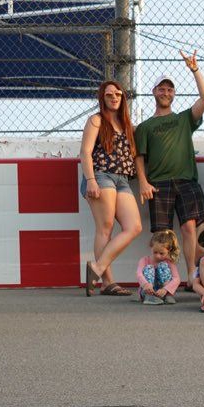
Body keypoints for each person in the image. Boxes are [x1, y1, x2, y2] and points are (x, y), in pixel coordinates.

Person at [135, 51, 204, 288]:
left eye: (169, 89)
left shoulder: (184, 119)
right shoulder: (145, 127)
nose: (165, 92)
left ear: (174, 94)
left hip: (186, 180)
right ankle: (166, 277)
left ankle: (190, 275)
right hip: (159, 183)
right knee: (163, 235)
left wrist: (195, 70)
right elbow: (139, 157)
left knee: (190, 226)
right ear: (154, 92)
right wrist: (144, 182)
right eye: (161, 89)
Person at [79, 79, 142, 296]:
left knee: (134, 226)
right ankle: (108, 282)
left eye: (118, 94)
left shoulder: (127, 125)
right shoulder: (96, 120)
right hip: (100, 176)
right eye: (109, 95)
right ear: (102, 98)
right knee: (105, 227)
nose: (114, 98)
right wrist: (91, 181)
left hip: (122, 179)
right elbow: (85, 152)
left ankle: (96, 268)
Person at [135, 230, 181, 305]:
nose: (157, 256)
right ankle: (148, 296)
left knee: (163, 265)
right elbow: (138, 274)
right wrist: (145, 284)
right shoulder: (144, 260)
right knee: (149, 267)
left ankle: (167, 296)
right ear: (151, 247)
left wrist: (166, 289)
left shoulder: (169, 262)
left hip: (164, 290)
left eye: (161, 253)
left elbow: (176, 278)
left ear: (168, 251)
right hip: (148, 290)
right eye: (155, 252)